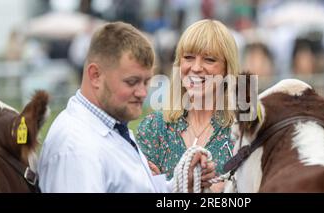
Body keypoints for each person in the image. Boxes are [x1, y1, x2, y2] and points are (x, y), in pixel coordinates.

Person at [37, 22, 215, 193]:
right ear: (95, 75)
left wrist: (182, 185)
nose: (142, 93)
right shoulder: (76, 148)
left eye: (146, 82)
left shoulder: (111, 125)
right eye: (132, 82)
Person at [136, 19, 239, 192]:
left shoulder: (241, 132)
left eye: (209, 59)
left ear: (227, 70)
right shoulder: (153, 128)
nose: (196, 67)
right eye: (189, 57)